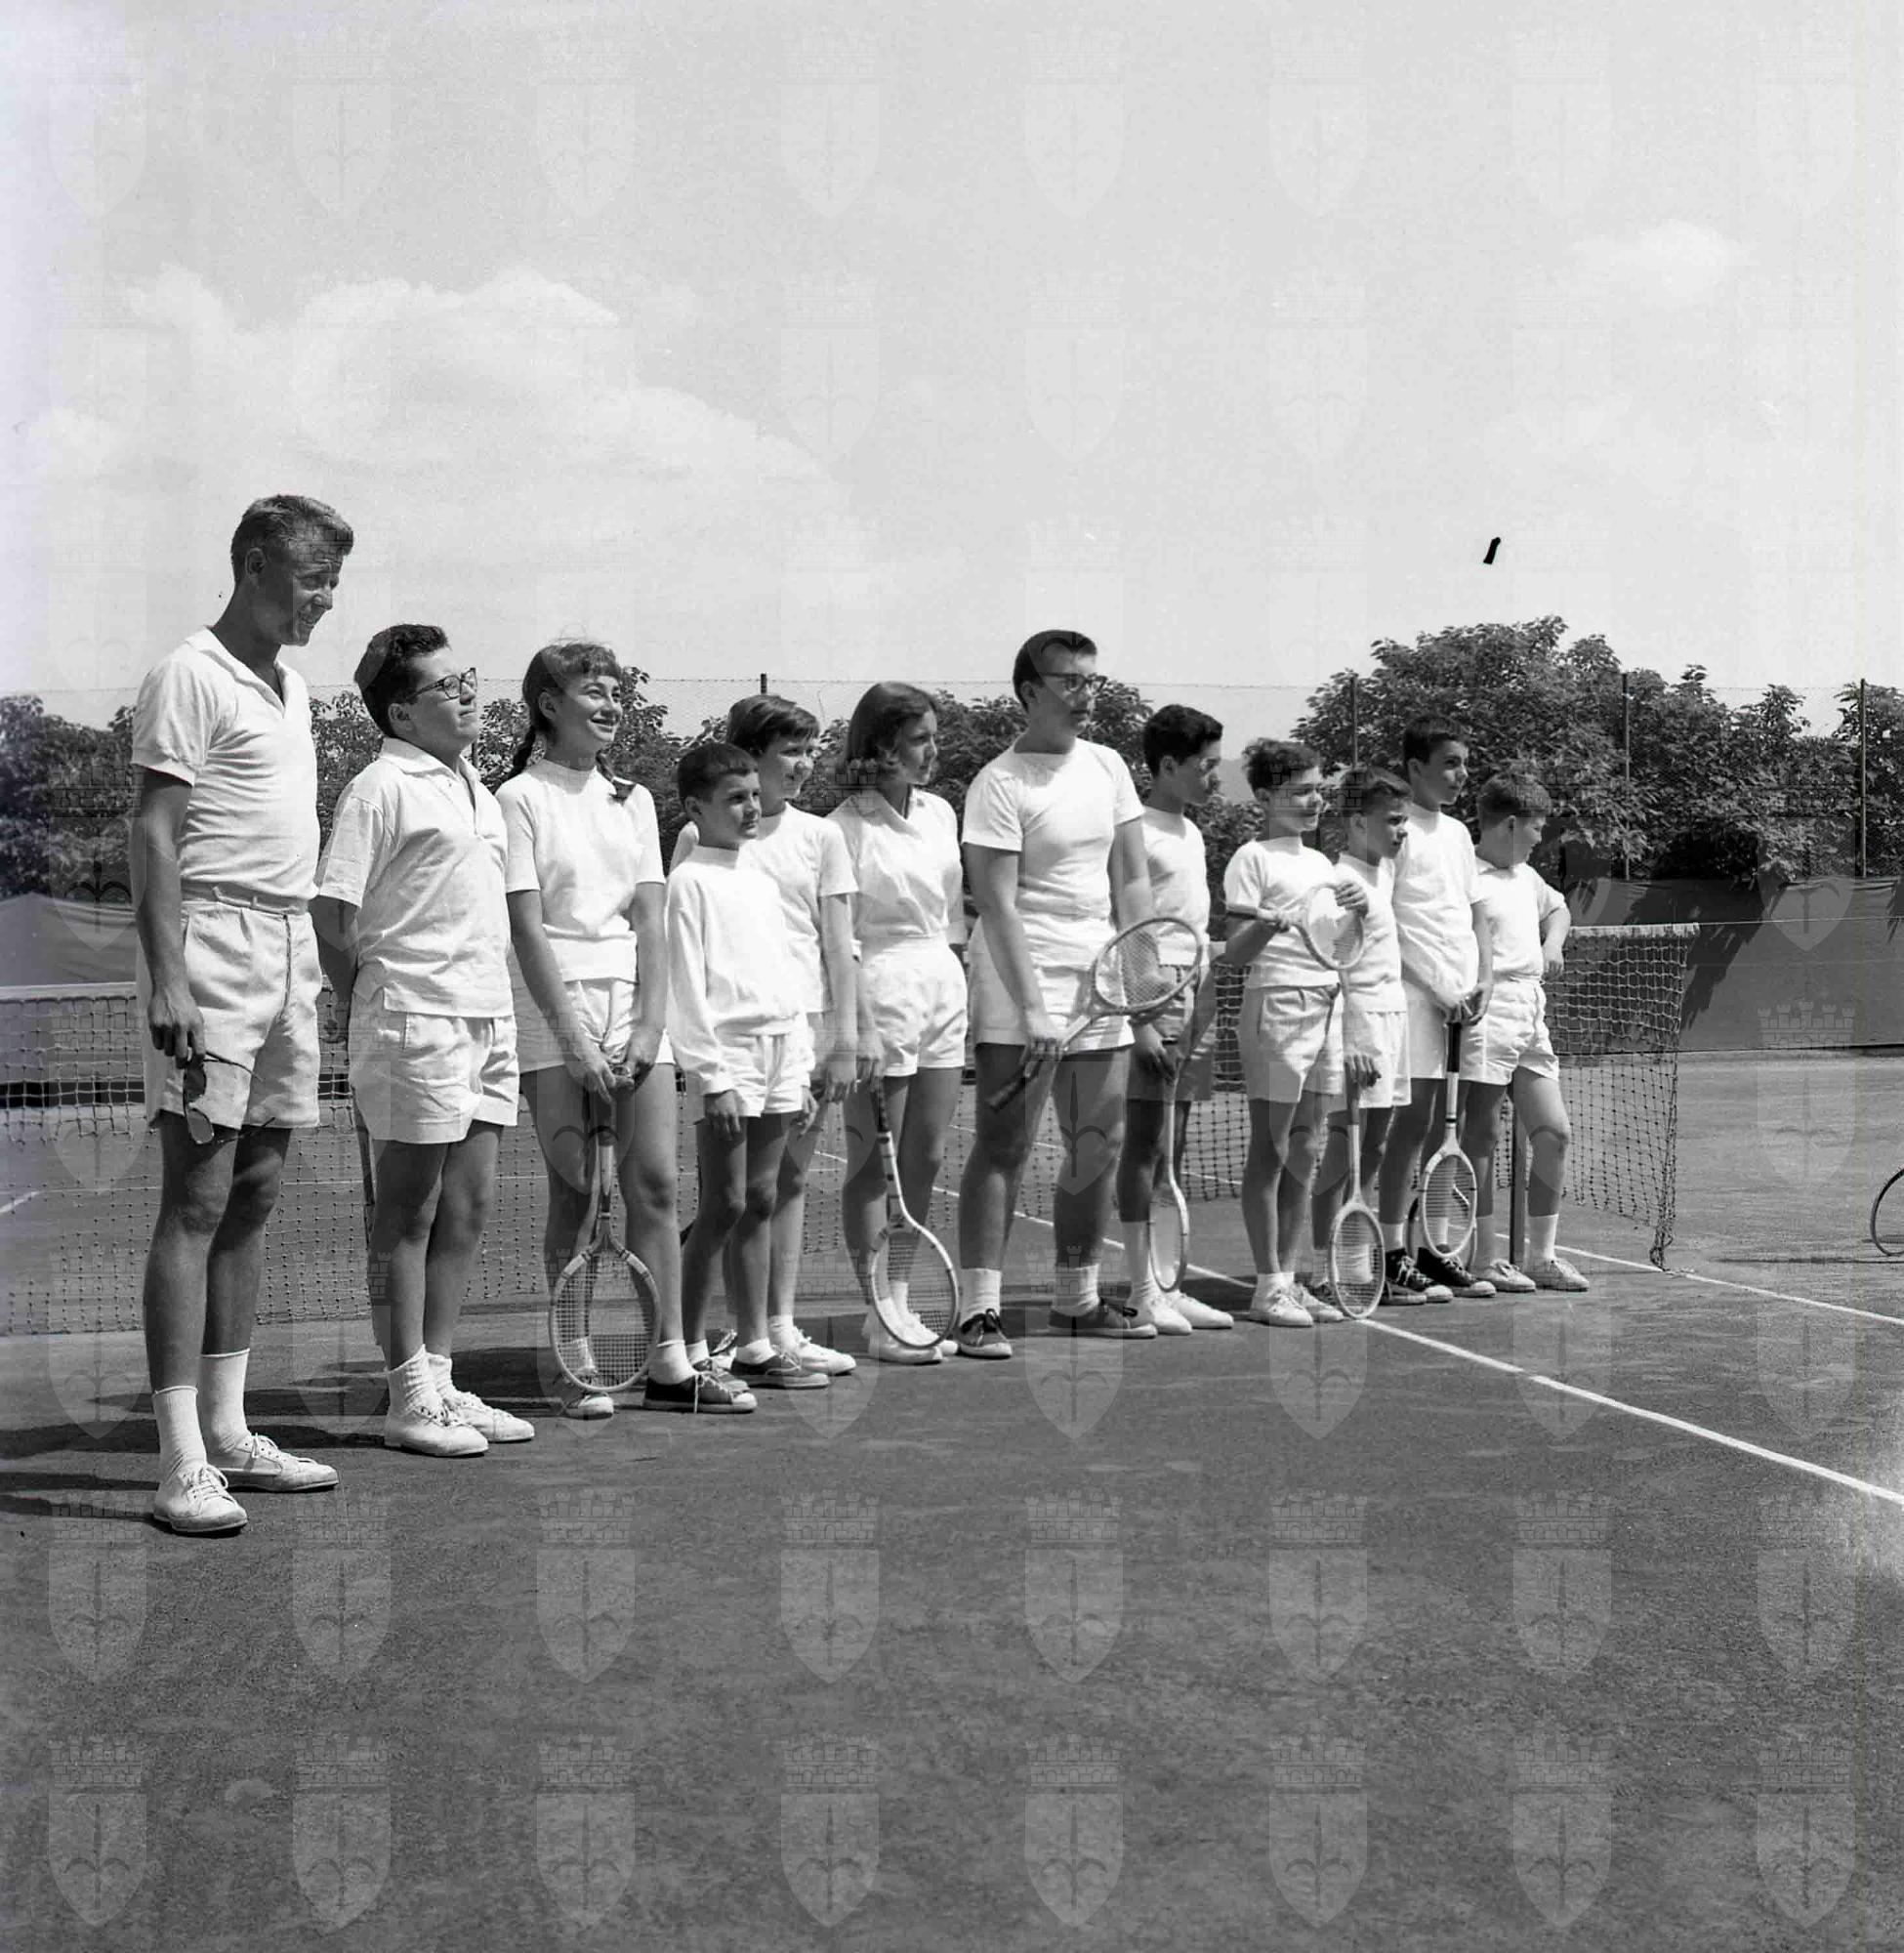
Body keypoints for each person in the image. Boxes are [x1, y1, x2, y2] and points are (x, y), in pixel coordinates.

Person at [130, 493, 352, 1535]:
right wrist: (169, 977)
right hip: (212, 944)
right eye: (313, 579)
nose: (325, 600)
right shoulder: (188, 673)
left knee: (256, 1191)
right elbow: (154, 830)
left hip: (289, 942)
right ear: (257, 565)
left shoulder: (292, 687)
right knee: (197, 1196)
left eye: (334, 582)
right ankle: (179, 1461)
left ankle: (227, 1432)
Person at [493, 643, 738, 1415]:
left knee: (655, 1185)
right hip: (553, 1013)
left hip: (633, 1013)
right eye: (592, 692)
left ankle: (670, 1361)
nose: (610, 706)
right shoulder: (517, 799)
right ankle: (578, 1362)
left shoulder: (632, 801)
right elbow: (527, 927)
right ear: (549, 705)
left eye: (616, 693)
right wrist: (571, 1039)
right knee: (577, 1190)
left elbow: (650, 919)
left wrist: (648, 1025)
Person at [312, 626, 525, 1459]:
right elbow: (332, 913)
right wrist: (367, 1001)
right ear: (401, 713)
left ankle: (439, 1379)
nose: (468, 693)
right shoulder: (378, 787)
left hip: (487, 1018)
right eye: (446, 686)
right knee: (409, 1212)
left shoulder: (478, 789)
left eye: (467, 677)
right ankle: (407, 1395)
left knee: (467, 1208)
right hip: (413, 1018)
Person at [957, 628, 1156, 1354]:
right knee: (1005, 1144)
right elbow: (997, 903)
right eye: (1070, 682)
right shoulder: (998, 783)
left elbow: (1132, 880)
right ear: (1029, 692)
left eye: (1091, 681)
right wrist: (1034, 1007)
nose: (1086, 695)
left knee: (1098, 1141)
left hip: (1100, 980)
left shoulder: (1107, 766)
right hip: (1020, 981)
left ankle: (1077, 1300)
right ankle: (979, 1310)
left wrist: (1140, 978)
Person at [673, 697, 858, 1379]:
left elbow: (789, 970)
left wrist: (809, 1057)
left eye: (753, 797)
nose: (751, 809)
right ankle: (688, 1351)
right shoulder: (689, 878)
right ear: (697, 808)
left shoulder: (758, 871)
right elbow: (685, 987)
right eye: (735, 798)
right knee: (723, 1203)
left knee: (762, 1198)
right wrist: (711, 1074)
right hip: (731, 1058)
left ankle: (755, 1344)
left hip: (786, 1053)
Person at [830, 683, 967, 1364]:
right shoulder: (842, 826)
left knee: (927, 1156)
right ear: (882, 746)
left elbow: (952, 914)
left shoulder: (940, 812)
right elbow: (843, 937)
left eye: (933, 737)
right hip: (879, 991)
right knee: (871, 1163)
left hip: (942, 984)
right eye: (919, 739)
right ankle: (878, 1312)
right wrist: (856, 1024)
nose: (932, 750)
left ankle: (902, 1298)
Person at [1220, 740, 1369, 1327]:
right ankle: (1266, 1287)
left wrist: (1357, 909)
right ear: (1263, 797)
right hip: (1276, 1006)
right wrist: (1267, 926)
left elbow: (1341, 948)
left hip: (1326, 1004)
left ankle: (1287, 1278)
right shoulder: (1251, 858)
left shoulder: (1323, 867)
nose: (1314, 801)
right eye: (1300, 791)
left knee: (1307, 1147)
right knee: (1272, 1148)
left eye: (1318, 791)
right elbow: (1237, 952)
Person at [1304, 767, 1451, 1308]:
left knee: (1374, 1149)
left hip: (1392, 1025)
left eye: (1404, 820)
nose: (1402, 830)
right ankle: (1321, 1271)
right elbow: (1331, 972)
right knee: (1343, 1153)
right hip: (1359, 1029)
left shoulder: (1382, 875)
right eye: (1391, 820)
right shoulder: (1339, 885)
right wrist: (1351, 1041)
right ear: (1356, 823)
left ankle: (1358, 1269)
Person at [1114, 704, 1233, 1335]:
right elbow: (1125, 925)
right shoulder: (1135, 831)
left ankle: (1167, 1284)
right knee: (1142, 1145)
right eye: (1206, 766)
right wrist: (1140, 1019)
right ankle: (1141, 1292)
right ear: (1167, 765)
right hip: (1153, 994)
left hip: (1196, 990)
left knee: (1174, 1145)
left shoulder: (1191, 832)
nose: (1216, 777)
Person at [1455, 774, 1591, 1293]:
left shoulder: (1526, 876)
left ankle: (1541, 1258)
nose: (1540, 837)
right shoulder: (1464, 873)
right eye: (1535, 828)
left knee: (1554, 1133)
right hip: (1486, 1011)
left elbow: (1559, 909)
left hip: (1531, 1010)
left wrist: (1552, 944)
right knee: (1481, 1136)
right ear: (1510, 824)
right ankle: (1483, 1258)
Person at [1379, 717, 1497, 1300]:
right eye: (1450, 763)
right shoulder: (1396, 832)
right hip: (1414, 1001)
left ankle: (1435, 1249)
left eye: (1464, 762)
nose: (1461, 774)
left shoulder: (1457, 834)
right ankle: (1391, 1253)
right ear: (1415, 768)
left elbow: (1476, 915)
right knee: (1413, 1125)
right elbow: (1386, 925)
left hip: (1465, 1004)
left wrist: (1484, 980)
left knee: (1450, 1128)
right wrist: (1435, 989)